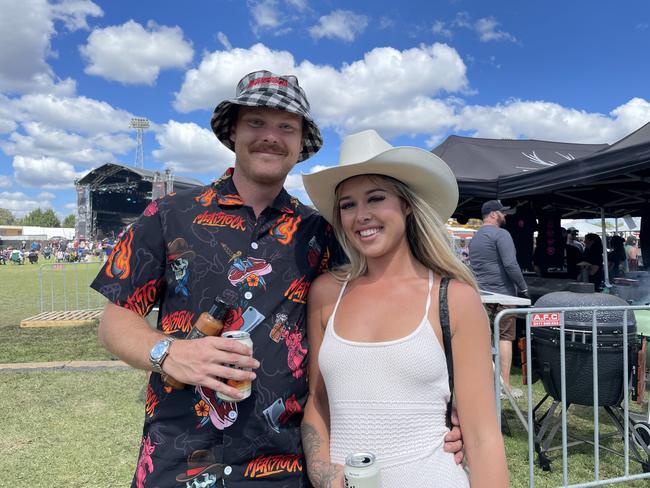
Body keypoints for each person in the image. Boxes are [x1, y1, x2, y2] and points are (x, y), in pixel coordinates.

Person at [91, 71, 463, 487]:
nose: (271, 136)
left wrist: (447, 405)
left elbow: (383, 309)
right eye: (256, 123)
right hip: (178, 457)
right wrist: (169, 353)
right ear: (233, 131)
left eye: (286, 127)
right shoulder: (167, 214)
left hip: (284, 466)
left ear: (301, 143)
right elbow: (115, 321)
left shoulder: (322, 231)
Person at [301, 130, 507, 487]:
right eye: (348, 204)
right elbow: (318, 404)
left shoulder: (454, 298)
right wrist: (321, 472)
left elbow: (482, 438)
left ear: (407, 204)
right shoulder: (325, 294)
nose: (361, 215)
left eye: (375, 198)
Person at [469, 200, 529, 399]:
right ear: (494, 214)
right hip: (503, 294)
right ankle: (505, 386)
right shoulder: (502, 234)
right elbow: (511, 264)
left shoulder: (475, 237)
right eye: (503, 213)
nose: (507, 215)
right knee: (505, 337)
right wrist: (523, 287)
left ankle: (485, 383)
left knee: (483, 339)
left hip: (481, 295)